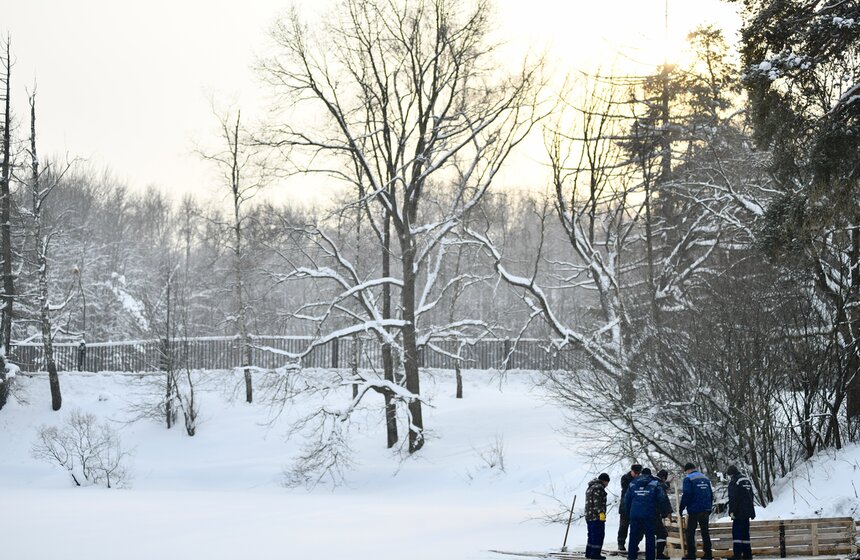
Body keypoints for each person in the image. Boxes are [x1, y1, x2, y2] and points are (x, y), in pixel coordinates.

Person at [624, 468, 671, 560]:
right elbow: (662, 499)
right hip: (649, 515)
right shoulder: (655, 484)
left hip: (635, 515)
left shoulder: (632, 484)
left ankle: (631, 557)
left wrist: (628, 513)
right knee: (650, 538)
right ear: (650, 475)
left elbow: (626, 500)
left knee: (633, 537)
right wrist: (664, 512)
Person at [679, 462, 714, 560]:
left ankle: (691, 554)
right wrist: (709, 507)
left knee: (690, 532)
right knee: (705, 532)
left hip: (694, 509)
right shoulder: (705, 478)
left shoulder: (688, 479)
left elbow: (687, 494)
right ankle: (708, 554)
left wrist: (681, 508)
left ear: (687, 470)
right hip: (705, 509)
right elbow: (711, 494)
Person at [726, 465, 756, 560]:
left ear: (731, 474)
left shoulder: (735, 481)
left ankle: (737, 555)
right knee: (745, 534)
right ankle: (747, 554)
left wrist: (732, 511)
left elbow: (733, 498)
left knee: (737, 533)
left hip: (739, 512)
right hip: (747, 511)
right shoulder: (746, 480)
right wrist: (751, 511)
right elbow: (751, 496)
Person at [585, 473, 611, 559]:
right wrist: (601, 513)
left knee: (591, 535)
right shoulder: (599, 488)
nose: (607, 485)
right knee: (598, 535)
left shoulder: (590, 487)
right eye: (607, 482)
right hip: (596, 516)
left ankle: (589, 553)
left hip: (589, 516)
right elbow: (598, 503)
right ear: (604, 481)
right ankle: (595, 554)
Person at [617, 463, 643, 551]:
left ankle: (635, 543)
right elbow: (627, 489)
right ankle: (621, 543)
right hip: (625, 507)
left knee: (637, 528)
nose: (637, 475)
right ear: (631, 471)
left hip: (636, 507)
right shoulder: (625, 478)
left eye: (638, 473)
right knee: (623, 526)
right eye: (635, 473)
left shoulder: (640, 479)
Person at [655, 469, 673, 560]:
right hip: (654, 514)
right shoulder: (659, 485)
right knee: (661, 533)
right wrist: (666, 512)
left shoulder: (653, 482)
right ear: (663, 478)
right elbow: (663, 499)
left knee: (644, 533)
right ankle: (659, 554)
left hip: (641, 513)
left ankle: (633, 552)